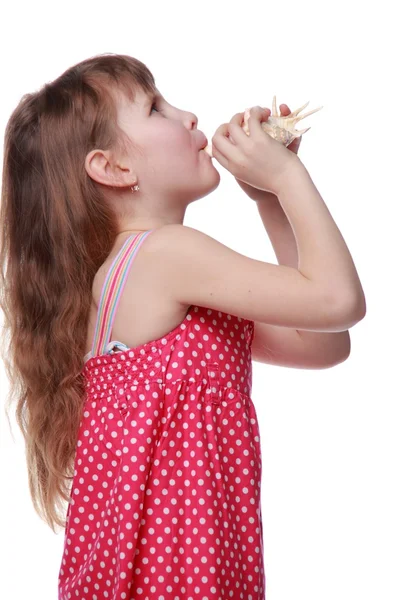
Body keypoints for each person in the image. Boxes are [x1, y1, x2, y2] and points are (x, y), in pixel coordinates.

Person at [0, 53, 365, 599]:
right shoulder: (164, 255)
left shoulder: (149, 274)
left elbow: (324, 340)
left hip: (179, 566)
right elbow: (340, 300)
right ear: (114, 168)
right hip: (177, 574)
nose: (189, 116)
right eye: (154, 107)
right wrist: (288, 176)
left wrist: (268, 201)